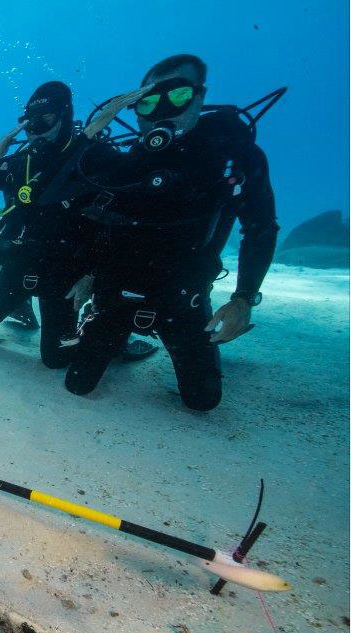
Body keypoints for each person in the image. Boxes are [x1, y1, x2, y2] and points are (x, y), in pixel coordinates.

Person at [50, 54, 278, 410]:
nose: (163, 111)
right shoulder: (128, 161)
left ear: (200, 97)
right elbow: (60, 198)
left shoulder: (230, 155)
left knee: (203, 401)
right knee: (77, 385)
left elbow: (260, 227)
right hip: (116, 294)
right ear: (136, 108)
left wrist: (243, 299)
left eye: (178, 96)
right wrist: (90, 136)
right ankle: (119, 343)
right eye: (150, 101)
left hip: (182, 298)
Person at [0, 82, 155, 368]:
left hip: (66, 272)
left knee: (55, 360)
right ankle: (21, 306)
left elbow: (134, 212)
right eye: (29, 121)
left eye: (45, 118)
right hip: (19, 264)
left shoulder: (93, 157)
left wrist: (94, 276)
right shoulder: (21, 162)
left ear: (65, 115)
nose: (36, 128)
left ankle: (109, 335)